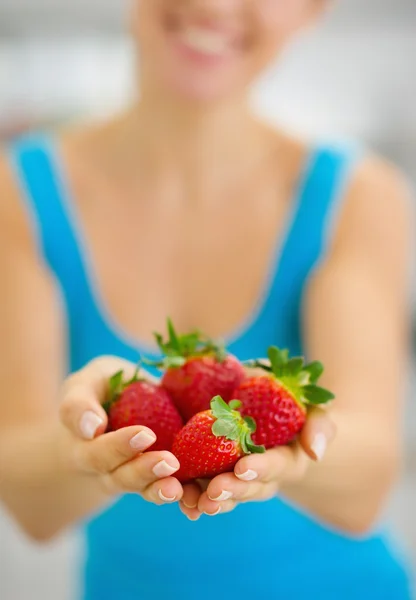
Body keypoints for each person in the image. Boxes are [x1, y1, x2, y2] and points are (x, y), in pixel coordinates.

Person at [0, 1, 413, 598]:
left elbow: (366, 491)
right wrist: (89, 448)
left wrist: (294, 453)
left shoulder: (359, 197)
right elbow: (32, 508)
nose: (216, 4)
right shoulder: (19, 195)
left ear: (312, 10)